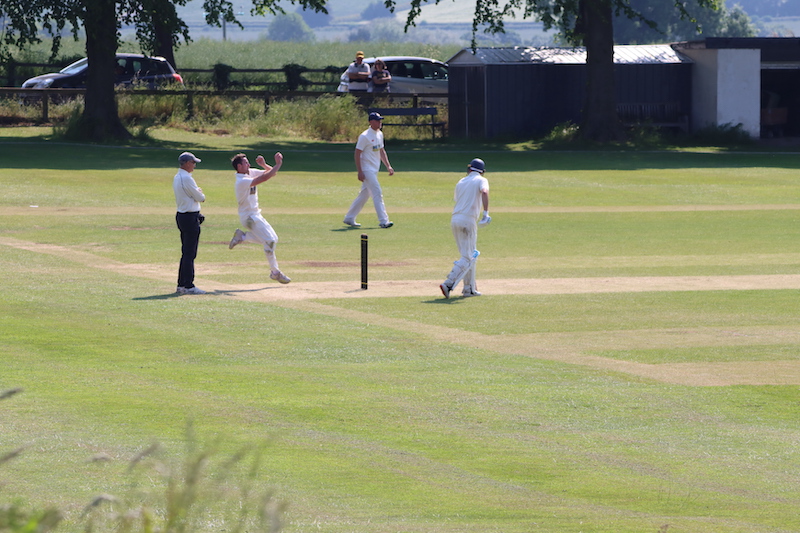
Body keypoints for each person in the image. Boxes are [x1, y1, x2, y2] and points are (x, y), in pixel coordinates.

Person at [227, 152, 291, 284]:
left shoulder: (249, 172)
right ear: (239, 167)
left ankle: (243, 237)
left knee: (273, 239)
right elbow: (265, 178)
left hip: (256, 214)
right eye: (246, 163)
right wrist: (278, 163)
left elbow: (271, 173)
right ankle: (275, 272)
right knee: (270, 241)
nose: (249, 164)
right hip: (249, 217)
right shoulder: (242, 181)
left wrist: (264, 165)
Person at [440, 158, 491, 298]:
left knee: (469, 255)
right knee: (468, 256)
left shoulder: (461, 182)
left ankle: (469, 289)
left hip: (455, 219)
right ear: (483, 172)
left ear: (469, 169)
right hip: (468, 220)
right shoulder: (481, 180)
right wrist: (486, 213)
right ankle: (448, 283)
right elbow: (485, 192)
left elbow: (458, 200)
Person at [343, 112, 395, 229]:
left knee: (364, 195)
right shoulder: (364, 136)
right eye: (377, 121)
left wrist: (388, 166)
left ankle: (349, 217)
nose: (380, 123)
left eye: (380, 120)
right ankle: (383, 221)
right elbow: (357, 153)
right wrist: (360, 171)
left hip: (374, 169)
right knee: (377, 192)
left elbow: (381, 151)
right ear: (371, 122)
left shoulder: (379, 134)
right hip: (367, 170)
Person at [173, 151, 206, 295]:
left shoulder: (178, 177)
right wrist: (199, 193)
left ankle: (182, 284)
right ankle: (188, 285)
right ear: (186, 163)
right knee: (189, 253)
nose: (194, 166)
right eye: (193, 163)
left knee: (186, 253)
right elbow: (200, 197)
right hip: (189, 217)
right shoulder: (186, 178)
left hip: (183, 215)